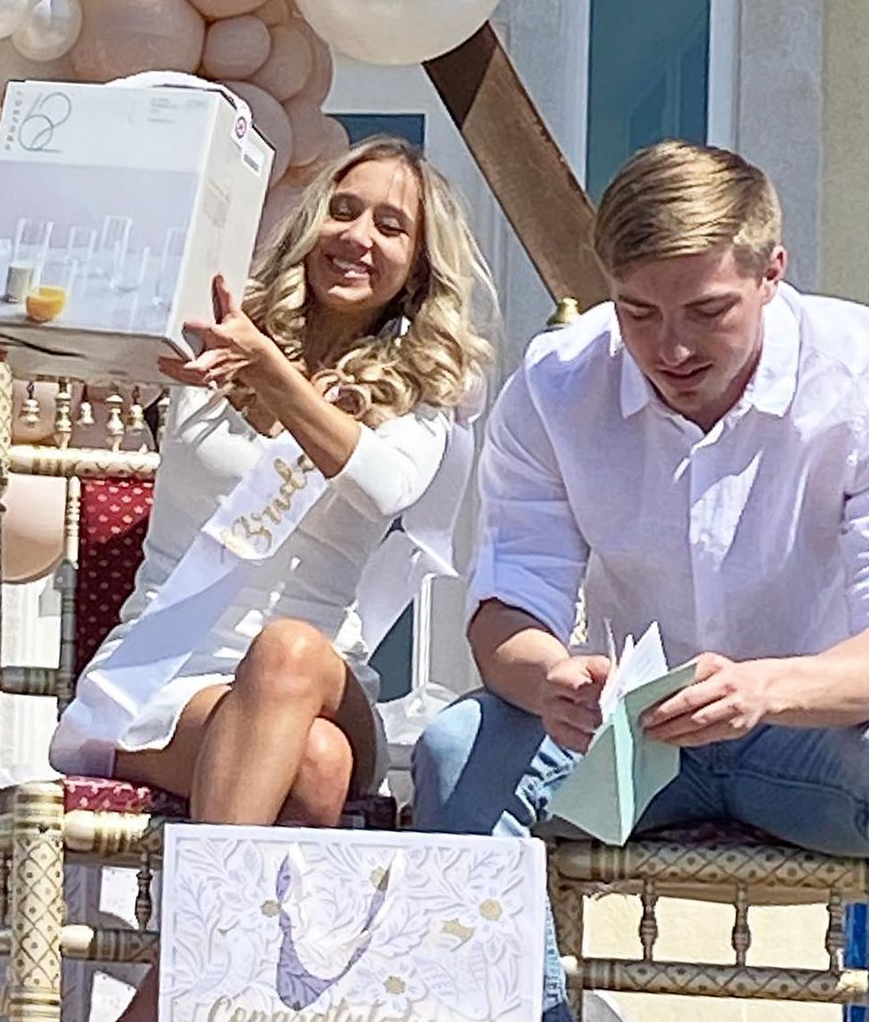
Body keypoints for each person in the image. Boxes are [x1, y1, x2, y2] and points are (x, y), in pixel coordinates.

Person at [412, 139, 869, 1021]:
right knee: (454, 749)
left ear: (774, 272)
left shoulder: (857, 376)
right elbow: (507, 606)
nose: (673, 346)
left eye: (707, 310)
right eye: (637, 312)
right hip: (632, 743)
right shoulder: (556, 382)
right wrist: (551, 676)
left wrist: (765, 690)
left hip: (821, 735)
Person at [47, 136, 495, 1022]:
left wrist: (271, 372)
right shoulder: (211, 336)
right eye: (343, 207)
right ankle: (236, 998)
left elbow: (377, 482)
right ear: (309, 221)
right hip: (164, 681)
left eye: (391, 225)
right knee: (313, 770)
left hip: (328, 683)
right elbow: (78, 326)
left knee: (290, 655)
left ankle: (177, 979)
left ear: (417, 269)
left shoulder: (425, 399)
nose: (358, 235)